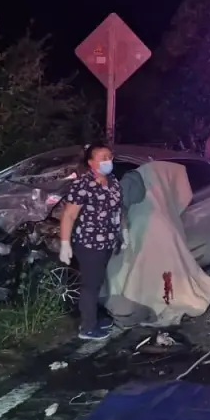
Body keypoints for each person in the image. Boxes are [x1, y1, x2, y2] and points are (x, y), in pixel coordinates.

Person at [59, 143, 124, 341]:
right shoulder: (82, 185)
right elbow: (69, 215)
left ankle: (94, 318)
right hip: (88, 244)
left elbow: (119, 209)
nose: (108, 161)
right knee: (91, 285)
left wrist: (124, 233)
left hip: (107, 242)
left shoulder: (112, 181)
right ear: (91, 162)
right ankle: (87, 328)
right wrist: (65, 243)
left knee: (97, 282)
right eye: (102, 158)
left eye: (110, 157)